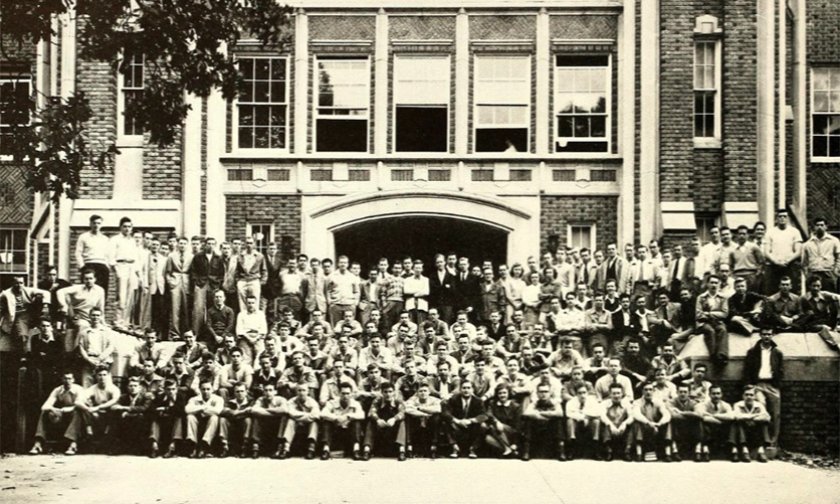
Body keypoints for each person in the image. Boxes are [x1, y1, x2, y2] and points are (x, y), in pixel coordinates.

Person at [64, 365, 120, 455]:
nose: (102, 377)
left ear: (109, 376)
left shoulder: (113, 389)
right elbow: (78, 402)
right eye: (100, 375)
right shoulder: (93, 388)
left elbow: (114, 401)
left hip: (109, 417)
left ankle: (110, 445)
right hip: (94, 416)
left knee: (115, 410)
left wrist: (98, 408)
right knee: (79, 410)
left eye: (105, 375)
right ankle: (73, 444)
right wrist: (89, 409)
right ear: (96, 376)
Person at [743, 326, 784, 448]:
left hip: (772, 385)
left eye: (769, 334)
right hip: (758, 385)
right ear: (760, 335)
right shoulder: (752, 352)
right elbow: (747, 370)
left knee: (776, 414)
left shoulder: (777, 353)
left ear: (772, 336)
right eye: (764, 334)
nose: (767, 337)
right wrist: (749, 385)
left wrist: (778, 383)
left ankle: (773, 441)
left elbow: (780, 370)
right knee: (762, 409)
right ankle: (764, 439)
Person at [29, 370, 84, 455]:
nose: (67, 381)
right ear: (62, 379)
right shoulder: (57, 390)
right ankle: (38, 444)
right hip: (61, 415)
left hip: (74, 416)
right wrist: (54, 409)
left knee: (78, 412)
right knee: (44, 412)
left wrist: (68, 409)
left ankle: (72, 445)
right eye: (65, 378)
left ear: (73, 380)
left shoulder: (79, 389)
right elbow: (45, 406)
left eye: (69, 378)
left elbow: (80, 405)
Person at [56, 268, 106, 353]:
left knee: (104, 331)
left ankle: (97, 354)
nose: (88, 281)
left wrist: (103, 322)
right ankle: (77, 352)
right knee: (83, 327)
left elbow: (100, 308)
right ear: (83, 280)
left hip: (93, 318)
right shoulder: (77, 288)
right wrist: (63, 305)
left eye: (91, 278)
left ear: (95, 279)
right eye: (86, 279)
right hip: (79, 317)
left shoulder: (100, 290)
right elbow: (60, 292)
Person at [0, 274, 51, 353]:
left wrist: (45, 305)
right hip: (17, 316)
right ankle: (23, 356)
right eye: (17, 283)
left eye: (21, 283)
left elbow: (46, 293)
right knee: (22, 334)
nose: (19, 285)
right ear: (13, 283)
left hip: (30, 315)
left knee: (39, 297)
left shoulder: (28, 290)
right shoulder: (6, 294)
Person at [319, 381, 365, 460]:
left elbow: (362, 415)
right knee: (326, 422)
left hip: (349, 432)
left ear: (351, 394)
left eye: (348, 393)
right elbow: (323, 413)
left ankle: (356, 450)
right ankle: (325, 449)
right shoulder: (332, 402)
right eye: (343, 393)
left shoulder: (355, 403)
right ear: (339, 393)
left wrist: (348, 416)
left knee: (357, 422)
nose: (345, 396)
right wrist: (335, 418)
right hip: (336, 431)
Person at [521, 383, 566, 461]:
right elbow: (526, 413)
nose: (543, 394)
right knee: (528, 421)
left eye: (546, 391)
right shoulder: (535, 403)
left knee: (558, 421)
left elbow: (560, 413)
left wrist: (541, 414)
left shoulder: (554, 403)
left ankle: (561, 452)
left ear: (550, 393)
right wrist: (545, 416)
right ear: (537, 393)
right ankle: (526, 452)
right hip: (537, 428)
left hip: (550, 428)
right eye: (541, 392)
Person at [363, 382, 407, 461]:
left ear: (394, 392)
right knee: (371, 422)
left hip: (393, 429)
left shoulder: (398, 401)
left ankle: (402, 451)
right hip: (381, 428)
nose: (388, 394)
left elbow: (402, 412)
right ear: (382, 392)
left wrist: (394, 418)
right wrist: (378, 420)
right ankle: (367, 450)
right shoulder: (377, 400)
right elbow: (371, 412)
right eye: (385, 392)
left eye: (390, 391)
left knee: (402, 422)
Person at [629, 382, 672, 462]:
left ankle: (668, 453)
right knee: (636, 422)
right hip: (644, 427)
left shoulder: (658, 401)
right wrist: (649, 423)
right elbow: (636, 414)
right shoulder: (637, 402)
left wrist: (660, 423)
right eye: (645, 390)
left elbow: (666, 414)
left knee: (667, 423)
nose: (648, 392)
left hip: (657, 427)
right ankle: (639, 453)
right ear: (642, 391)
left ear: (653, 391)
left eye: (650, 390)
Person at [110, 376, 153, 455]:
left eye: (135, 386)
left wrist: (125, 409)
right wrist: (121, 410)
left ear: (140, 388)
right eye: (131, 386)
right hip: (128, 420)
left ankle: (140, 448)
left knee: (140, 418)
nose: (133, 388)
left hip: (140, 420)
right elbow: (115, 406)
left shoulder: (146, 396)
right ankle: (116, 447)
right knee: (115, 417)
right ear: (127, 387)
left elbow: (144, 408)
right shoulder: (124, 397)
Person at [764, 208, 803, 294]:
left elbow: (798, 251)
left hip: (790, 266)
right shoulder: (770, 232)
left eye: (784, 216)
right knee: (773, 291)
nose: (782, 218)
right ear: (776, 218)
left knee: (792, 291)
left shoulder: (794, 232)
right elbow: (766, 252)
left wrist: (788, 261)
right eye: (780, 216)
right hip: (774, 267)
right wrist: (775, 261)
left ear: (787, 218)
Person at [278, 383, 320, 459]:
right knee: (291, 421)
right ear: (296, 392)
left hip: (308, 424)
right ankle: (286, 448)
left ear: (308, 392)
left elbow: (315, 415)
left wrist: (298, 417)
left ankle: (311, 449)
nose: (301, 393)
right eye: (299, 390)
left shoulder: (313, 402)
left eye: (304, 390)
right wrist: (307, 415)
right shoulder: (291, 401)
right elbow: (291, 413)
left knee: (314, 422)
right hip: (296, 423)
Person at [730, 385, 771, 462]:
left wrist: (751, 419)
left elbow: (767, 417)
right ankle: (745, 451)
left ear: (754, 397)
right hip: (743, 431)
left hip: (755, 430)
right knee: (737, 423)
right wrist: (755, 416)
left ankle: (761, 451)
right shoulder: (738, 405)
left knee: (764, 424)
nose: (749, 397)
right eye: (746, 395)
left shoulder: (759, 405)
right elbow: (737, 416)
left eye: (751, 395)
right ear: (743, 396)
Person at [184, 380, 225, 458]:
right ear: (199, 389)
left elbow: (218, 411)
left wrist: (200, 410)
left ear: (212, 389)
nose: (206, 391)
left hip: (211, 423)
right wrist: (202, 408)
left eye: (208, 389)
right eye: (203, 389)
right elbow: (187, 410)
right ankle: (193, 444)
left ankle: (204, 445)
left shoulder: (218, 399)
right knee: (190, 417)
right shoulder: (194, 399)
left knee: (214, 417)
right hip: (198, 421)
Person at [696, 275, 729, 366]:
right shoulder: (701, 297)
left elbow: (725, 313)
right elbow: (698, 314)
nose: (714, 285)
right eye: (711, 282)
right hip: (704, 322)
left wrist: (709, 314)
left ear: (719, 284)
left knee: (722, 330)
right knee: (710, 331)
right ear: (707, 284)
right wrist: (710, 315)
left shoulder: (723, 297)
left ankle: (722, 355)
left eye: (716, 283)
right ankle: (713, 355)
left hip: (717, 322)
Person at [693, 384, 733, 461]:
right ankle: (704, 449)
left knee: (732, 424)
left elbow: (731, 416)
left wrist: (713, 415)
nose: (716, 396)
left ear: (721, 394)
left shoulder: (725, 405)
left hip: (721, 431)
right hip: (707, 429)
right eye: (713, 393)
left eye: (718, 393)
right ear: (709, 395)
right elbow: (702, 416)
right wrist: (721, 420)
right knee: (701, 422)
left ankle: (732, 450)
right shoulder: (704, 404)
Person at [403, 381, 442, 459]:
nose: (423, 393)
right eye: (420, 391)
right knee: (408, 418)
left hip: (430, 424)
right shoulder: (413, 399)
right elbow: (407, 409)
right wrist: (424, 414)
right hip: (416, 423)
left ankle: (434, 447)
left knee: (437, 418)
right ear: (417, 393)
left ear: (429, 392)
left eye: (425, 391)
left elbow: (438, 409)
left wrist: (420, 408)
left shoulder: (434, 400)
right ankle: (409, 446)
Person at [76, 307, 114, 386]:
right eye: (93, 315)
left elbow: (110, 347)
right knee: (87, 387)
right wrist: (88, 359)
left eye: (97, 315)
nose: (95, 317)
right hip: (88, 363)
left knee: (104, 387)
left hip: (103, 363)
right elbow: (81, 348)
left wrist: (100, 359)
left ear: (101, 317)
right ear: (89, 316)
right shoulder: (84, 332)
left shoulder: (107, 331)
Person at [249, 382, 287, 458]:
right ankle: (255, 447)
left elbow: (284, 410)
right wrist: (274, 412)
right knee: (256, 417)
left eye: (270, 390)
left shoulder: (281, 399)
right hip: (265, 423)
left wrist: (265, 410)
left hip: (277, 423)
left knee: (284, 417)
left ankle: (280, 447)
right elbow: (254, 410)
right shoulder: (260, 399)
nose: (268, 393)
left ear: (275, 392)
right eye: (266, 390)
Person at [565, 383, 602, 460]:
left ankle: (596, 448)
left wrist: (585, 415)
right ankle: (571, 447)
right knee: (570, 421)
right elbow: (569, 414)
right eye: (580, 393)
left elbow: (598, 412)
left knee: (596, 421)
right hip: (577, 423)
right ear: (576, 394)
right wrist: (583, 417)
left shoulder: (592, 401)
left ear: (587, 393)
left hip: (589, 423)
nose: (582, 395)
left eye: (584, 392)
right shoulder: (571, 402)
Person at [75, 214, 110, 294]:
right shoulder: (83, 237)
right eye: (94, 223)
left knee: (102, 290)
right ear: (90, 224)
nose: (96, 225)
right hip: (89, 264)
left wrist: (107, 266)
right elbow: (78, 253)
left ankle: (101, 306)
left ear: (101, 224)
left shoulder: (105, 239)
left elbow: (108, 254)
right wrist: (82, 266)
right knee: (87, 289)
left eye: (98, 223)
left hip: (102, 265)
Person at [165, 236, 192, 340]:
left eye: (184, 243)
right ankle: (175, 333)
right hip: (175, 283)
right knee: (175, 309)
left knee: (186, 309)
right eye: (180, 243)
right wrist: (170, 282)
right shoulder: (171, 256)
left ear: (187, 245)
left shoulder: (191, 256)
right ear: (177, 244)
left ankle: (186, 333)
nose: (182, 245)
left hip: (186, 283)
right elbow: (167, 272)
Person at [600, 383, 634, 461]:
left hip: (622, 428)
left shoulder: (627, 404)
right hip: (610, 429)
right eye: (614, 393)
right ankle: (609, 451)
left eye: (618, 393)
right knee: (604, 424)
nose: (616, 396)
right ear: (610, 394)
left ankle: (627, 451)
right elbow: (602, 415)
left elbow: (632, 416)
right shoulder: (604, 404)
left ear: (622, 394)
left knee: (632, 424)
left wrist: (624, 423)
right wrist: (610, 425)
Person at [667, 382, 701, 461]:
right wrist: (691, 415)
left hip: (690, 427)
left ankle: (698, 451)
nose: (683, 394)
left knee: (699, 422)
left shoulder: (694, 403)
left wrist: (681, 412)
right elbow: (674, 416)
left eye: (685, 392)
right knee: (671, 422)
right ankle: (675, 451)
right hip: (677, 427)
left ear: (689, 393)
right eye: (681, 392)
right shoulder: (671, 402)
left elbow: (699, 414)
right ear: (677, 392)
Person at [235, 235, 267, 312]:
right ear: (245, 244)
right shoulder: (240, 256)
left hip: (254, 280)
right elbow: (237, 270)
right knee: (242, 304)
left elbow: (264, 270)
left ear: (254, 244)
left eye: (251, 243)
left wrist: (261, 282)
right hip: (243, 281)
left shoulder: (259, 256)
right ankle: (244, 321)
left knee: (254, 303)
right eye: (247, 243)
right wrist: (238, 281)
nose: (249, 245)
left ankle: (254, 322)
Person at [235, 294, 267, 365]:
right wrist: (249, 339)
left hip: (258, 337)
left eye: (252, 303)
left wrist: (256, 338)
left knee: (260, 356)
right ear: (246, 304)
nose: (251, 305)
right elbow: (239, 329)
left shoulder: (260, 314)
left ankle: (258, 372)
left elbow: (263, 329)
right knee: (246, 359)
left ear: (256, 303)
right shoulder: (241, 314)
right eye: (249, 303)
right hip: (245, 338)